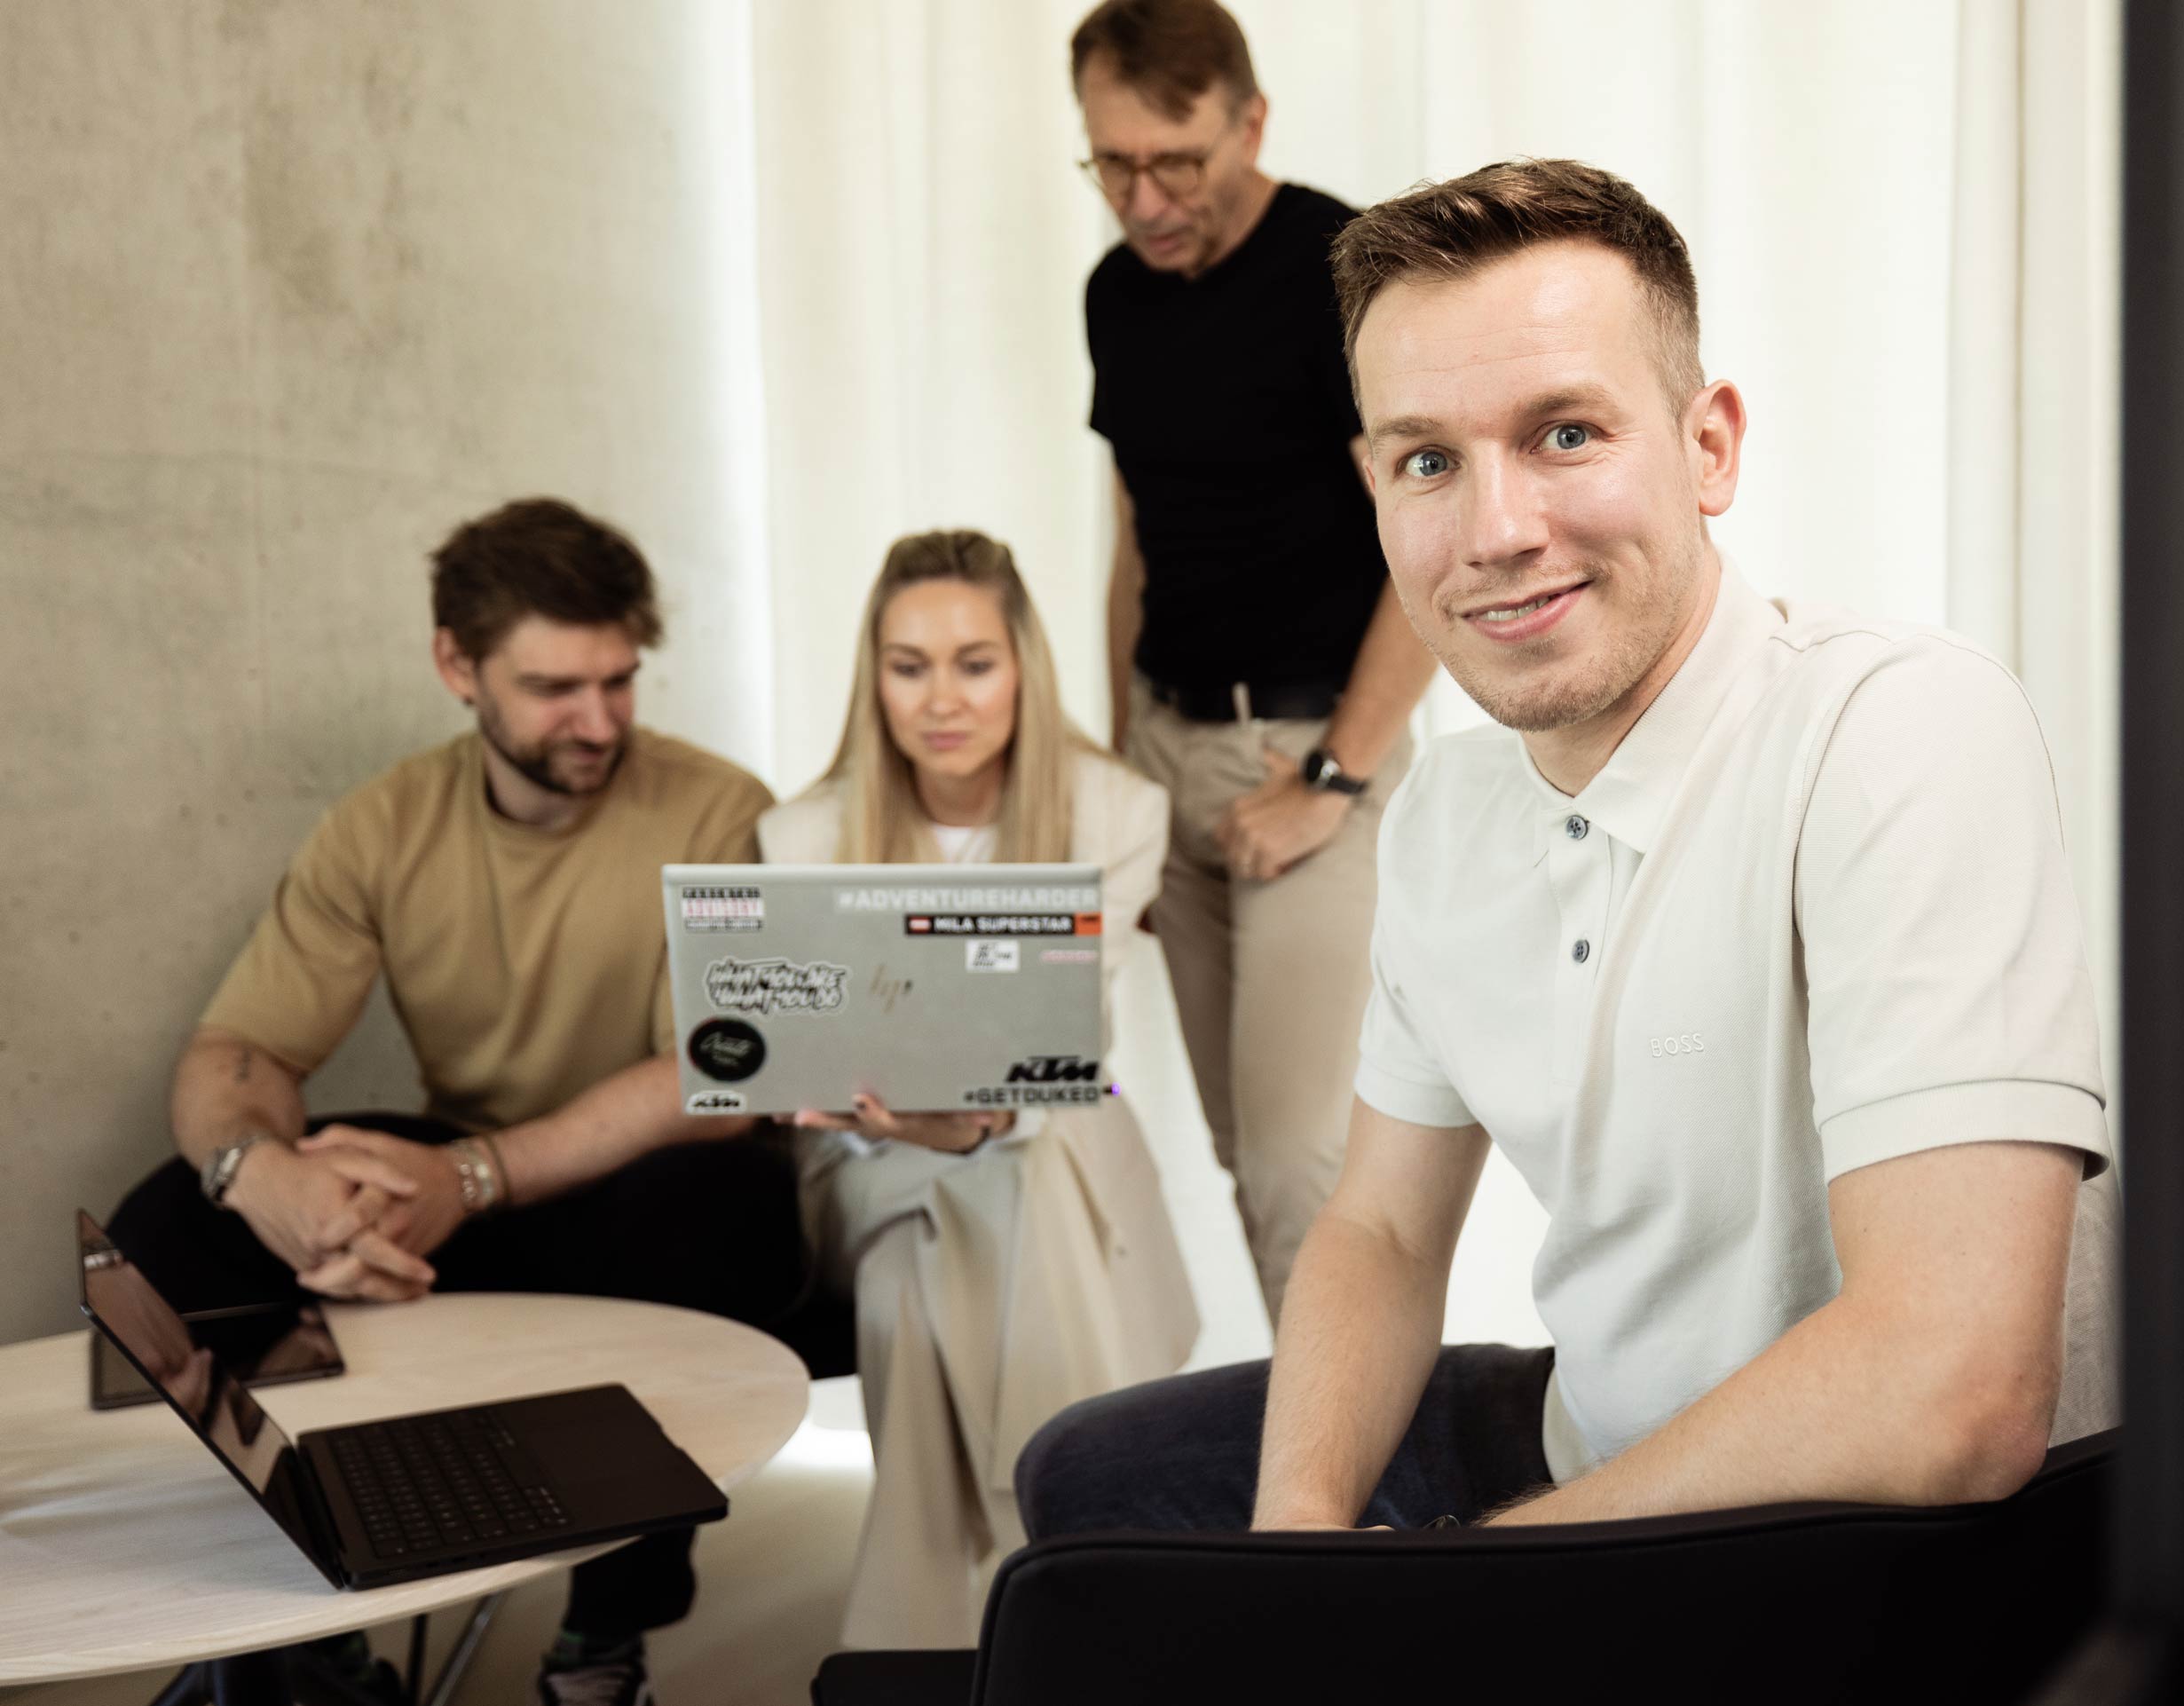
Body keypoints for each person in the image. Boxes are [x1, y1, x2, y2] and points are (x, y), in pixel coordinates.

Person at [1018, 159, 2118, 1537]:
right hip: (1591, 1436)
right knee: (1086, 1477)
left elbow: (1957, 1393)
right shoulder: (1444, 814)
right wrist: (1298, 1541)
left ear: (1709, 446)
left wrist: (1470, 1578)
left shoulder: (1894, 729)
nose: (1496, 532)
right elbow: (1382, 1230)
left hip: (1867, 1543)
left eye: (1564, 434)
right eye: (1429, 460)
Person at [106, 497, 801, 1706]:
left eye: (619, 681)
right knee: (162, 1226)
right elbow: (240, 1050)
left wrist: (471, 1176)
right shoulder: (384, 824)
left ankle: (602, 1646)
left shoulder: (717, 808)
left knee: (722, 1187)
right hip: (461, 1202)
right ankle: (305, 1624)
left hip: (628, 1191)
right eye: (554, 688)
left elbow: (719, 1076)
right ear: (455, 665)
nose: (600, 721)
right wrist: (268, 1183)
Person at [755, 529, 1197, 1647]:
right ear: (874, 676)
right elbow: (801, 1059)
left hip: (1051, 1138)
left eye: (972, 662)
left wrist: (981, 1117)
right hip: (870, 1156)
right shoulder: (801, 834)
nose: (939, 698)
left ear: (1023, 667)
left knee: (963, 1218)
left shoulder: (1116, 813)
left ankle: (907, 1629)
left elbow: (1059, 1062)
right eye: (908, 665)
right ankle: (1074, 1560)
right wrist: (888, 1114)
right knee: (944, 1189)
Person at [1072, 0, 1438, 1320]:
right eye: (1114, 164)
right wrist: (1120, 769)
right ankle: (1311, 1478)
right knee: (1242, 1155)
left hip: (1315, 745)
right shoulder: (1115, 295)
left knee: (1305, 1165)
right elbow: (1135, 537)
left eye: (1178, 161)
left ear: (1251, 122)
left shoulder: (1339, 272)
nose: (1147, 198)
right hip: (1170, 747)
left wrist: (1331, 778)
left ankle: (1350, 1510)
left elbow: (1427, 545)